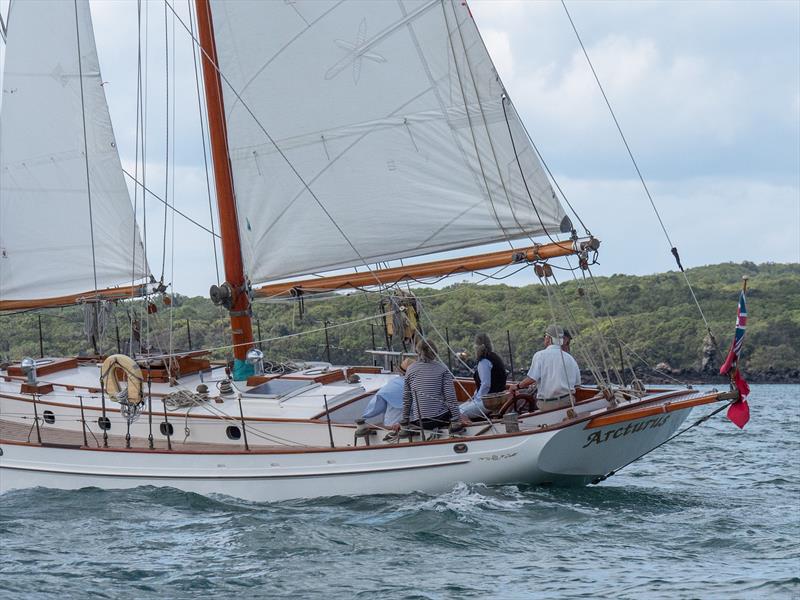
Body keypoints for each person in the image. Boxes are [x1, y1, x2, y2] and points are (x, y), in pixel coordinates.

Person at [391, 338, 470, 432]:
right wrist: (457, 419)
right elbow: (450, 397)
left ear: (418, 352)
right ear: (434, 352)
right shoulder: (442, 369)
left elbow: (407, 399)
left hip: (420, 422)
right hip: (441, 419)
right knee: (465, 416)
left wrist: (405, 420)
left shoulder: (410, 369)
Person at [509, 324, 580, 410]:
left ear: (549, 339)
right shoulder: (570, 358)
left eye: (545, 336)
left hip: (547, 404)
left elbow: (531, 379)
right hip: (568, 403)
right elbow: (577, 385)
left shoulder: (540, 355)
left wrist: (517, 386)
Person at [460, 333, 507, 418]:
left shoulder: (484, 361)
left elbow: (486, 384)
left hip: (490, 400)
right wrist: (474, 397)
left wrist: (476, 400)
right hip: (499, 396)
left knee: (459, 412)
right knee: (459, 408)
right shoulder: (494, 357)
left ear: (476, 346)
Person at [361, 358, 415, 427]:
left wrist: (365, 416)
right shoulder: (420, 385)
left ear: (400, 371)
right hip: (414, 425)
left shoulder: (392, 384)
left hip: (392, 424)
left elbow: (376, 405)